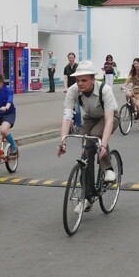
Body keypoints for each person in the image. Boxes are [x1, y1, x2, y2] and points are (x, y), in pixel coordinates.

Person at [57, 61, 119, 213]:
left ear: (92, 79)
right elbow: (67, 117)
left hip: (108, 116)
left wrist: (103, 146)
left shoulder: (105, 90)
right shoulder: (73, 91)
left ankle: (108, 168)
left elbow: (110, 120)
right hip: (90, 118)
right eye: (78, 80)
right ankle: (87, 197)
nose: (80, 83)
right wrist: (63, 141)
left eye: (84, 80)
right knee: (86, 151)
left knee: (95, 137)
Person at [123, 58, 139, 128]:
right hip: (134, 89)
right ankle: (132, 109)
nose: (135, 65)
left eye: (137, 63)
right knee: (127, 94)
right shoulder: (132, 71)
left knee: (138, 104)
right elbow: (129, 79)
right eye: (134, 63)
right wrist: (124, 86)